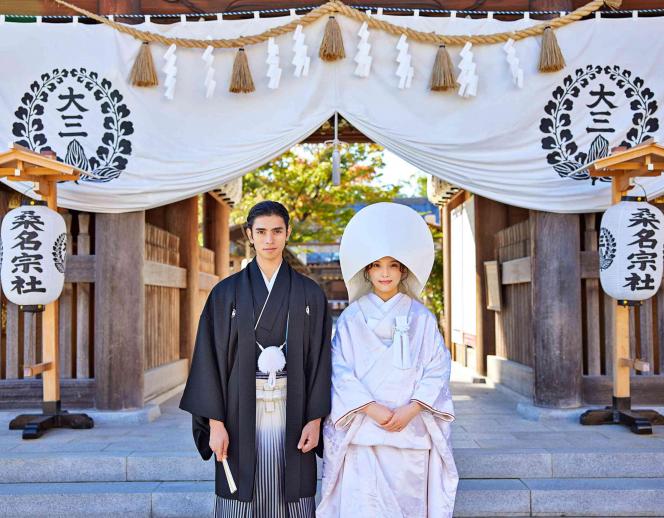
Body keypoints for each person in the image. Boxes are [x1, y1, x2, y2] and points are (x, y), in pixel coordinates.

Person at [179, 200, 331, 518]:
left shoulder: (310, 295)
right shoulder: (225, 294)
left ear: (287, 233)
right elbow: (209, 360)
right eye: (261, 232)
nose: (269, 239)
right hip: (237, 412)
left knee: (294, 493)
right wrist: (215, 424)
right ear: (249, 234)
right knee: (240, 493)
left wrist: (315, 420)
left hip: (296, 408)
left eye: (277, 231)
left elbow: (320, 362)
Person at [317, 202, 458, 518]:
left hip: (409, 430)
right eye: (377, 265)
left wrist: (412, 408)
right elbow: (338, 369)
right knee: (363, 505)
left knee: (405, 506)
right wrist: (370, 408)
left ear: (403, 271)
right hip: (363, 429)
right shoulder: (352, 318)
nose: (384, 273)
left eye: (393, 265)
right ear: (367, 270)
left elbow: (437, 366)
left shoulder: (421, 317)